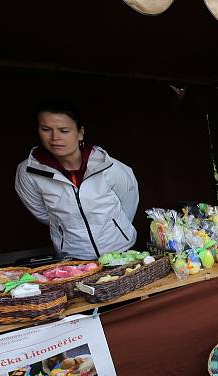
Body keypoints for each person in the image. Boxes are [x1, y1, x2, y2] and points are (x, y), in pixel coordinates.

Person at [15, 99, 139, 260]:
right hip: (73, 256)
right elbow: (42, 213)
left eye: (64, 130)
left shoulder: (108, 166)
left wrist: (116, 226)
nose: (55, 137)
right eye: (46, 129)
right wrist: (67, 228)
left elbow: (129, 200)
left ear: (80, 133)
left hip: (121, 249)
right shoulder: (29, 172)